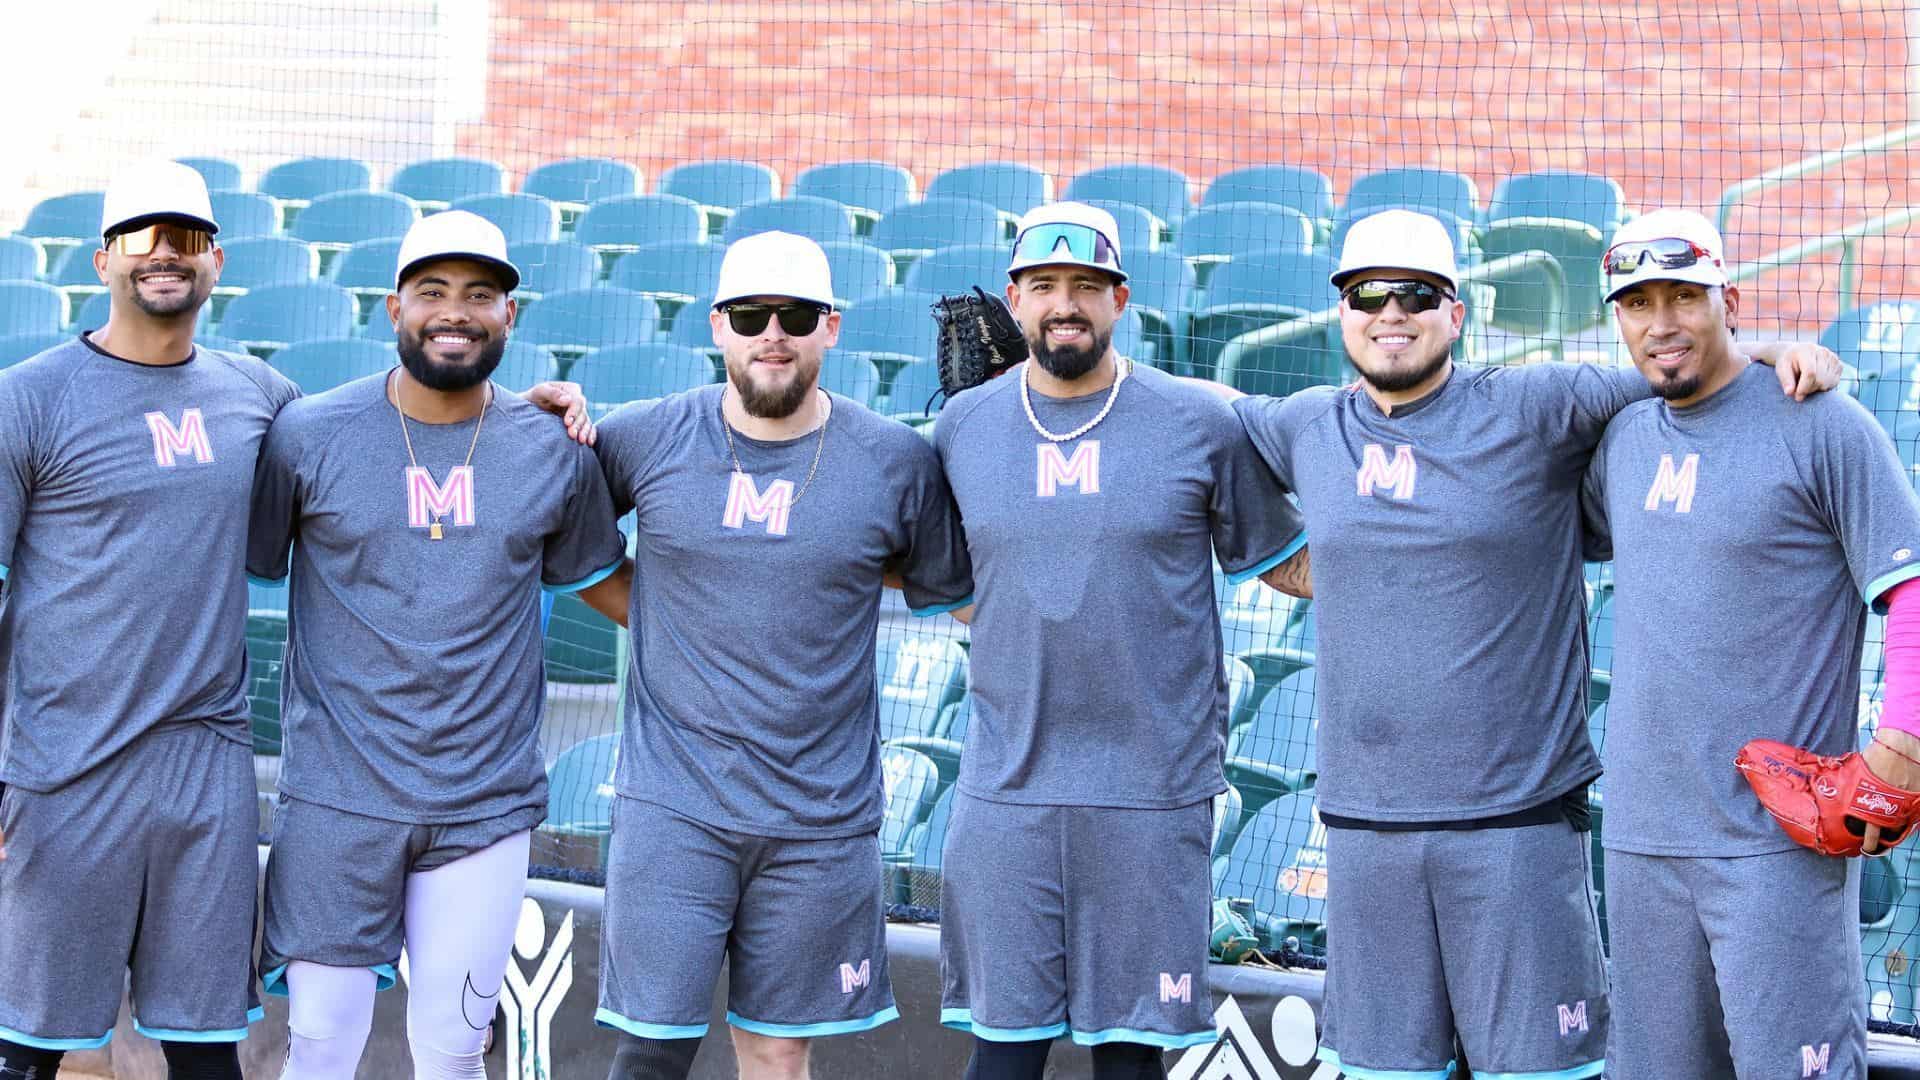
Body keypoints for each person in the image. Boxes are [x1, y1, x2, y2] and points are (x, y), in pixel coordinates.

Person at [1225, 208, 1840, 1080]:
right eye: (1368, 295)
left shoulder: (1537, 403)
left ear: (1456, 313)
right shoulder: (1301, 424)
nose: (1389, 312)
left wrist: (1779, 348)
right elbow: (1191, 429)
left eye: (1415, 294)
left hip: (1514, 829)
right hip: (1362, 835)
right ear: (1342, 313)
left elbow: (1684, 365)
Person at [246, 210, 631, 1080]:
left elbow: (618, 593)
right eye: (432, 292)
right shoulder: (310, 435)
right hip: (335, 800)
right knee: (320, 1049)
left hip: (481, 804)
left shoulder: (550, 447)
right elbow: (229, 563)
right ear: (393, 309)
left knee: (453, 1051)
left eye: (479, 295)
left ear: (510, 317)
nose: (454, 312)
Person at [929, 202, 1310, 1080]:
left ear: (1121, 298)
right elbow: (947, 586)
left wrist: (1419, 560)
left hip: (1150, 794)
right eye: (1046, 287)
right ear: (1016, 301)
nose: (1067, 306)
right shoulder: (963, 429)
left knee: (1133, 1064)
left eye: (1087, 288)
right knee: (1002, 1062)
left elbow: (1286, 566)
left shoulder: (1199, 420)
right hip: (1006, 792)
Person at [589, 230, 973, 1080]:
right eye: (751, 314)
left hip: (818, 818)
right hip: (673, 805)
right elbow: (574, 553)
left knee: (774, 1052)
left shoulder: (897, 463)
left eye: (796, 314)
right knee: (650, 1047)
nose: (774, 332)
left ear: (831, 327)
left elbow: (963, 599)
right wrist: (663, 622)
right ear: (715, 326)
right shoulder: (642, 438)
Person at [1581, 208, 1920, 1079]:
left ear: (1727, 299)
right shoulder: (1619, 437)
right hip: (1642, 836)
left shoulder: (1821, 422)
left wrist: (1904, 741)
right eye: (1638, 304)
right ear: (1616, 320)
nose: (1662, 324)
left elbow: (1913, 592)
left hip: (1776, 844)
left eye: (1685, 297)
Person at [0, 158, 289, 1080]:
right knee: (28, 1046)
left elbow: (387, 438)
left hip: (204, 768)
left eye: (187, 238)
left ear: (218, 262)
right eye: (139, 236)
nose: (163, 254)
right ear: (100, 261)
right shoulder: (28, 397)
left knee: (207, 1052)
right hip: (64, 767)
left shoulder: (260, 396)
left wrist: (513, 411)